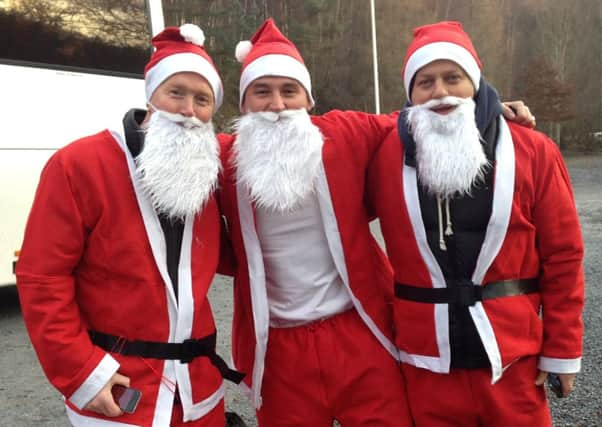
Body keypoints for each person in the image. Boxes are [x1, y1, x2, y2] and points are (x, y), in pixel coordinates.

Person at [217, 18, 534, 427]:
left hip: (359, 329)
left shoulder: (345, 133)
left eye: (289, 91)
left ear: (308, 100)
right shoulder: (224, 162)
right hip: (278, 347)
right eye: (262, 92)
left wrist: (486, 108)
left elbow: (421, 117)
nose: (277, 106)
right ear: (243, 104)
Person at [16, 23, 242, 427]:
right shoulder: (78, 165)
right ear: (151, 95)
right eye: (176, 93)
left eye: (202, 100)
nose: (189, 110)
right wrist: (81, 372)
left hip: (199, 394)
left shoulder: (208, 169)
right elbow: (42, 278)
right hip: (116, 394)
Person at [367, 21, 584, 426]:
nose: (441, 92)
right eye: (425, 82)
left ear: (477, 83)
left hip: (512, 358)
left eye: (454, 78)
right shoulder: (383, 155)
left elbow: (564, 255)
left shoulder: (533, 151)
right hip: (427, 362)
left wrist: (563, 349)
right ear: (410, 95)